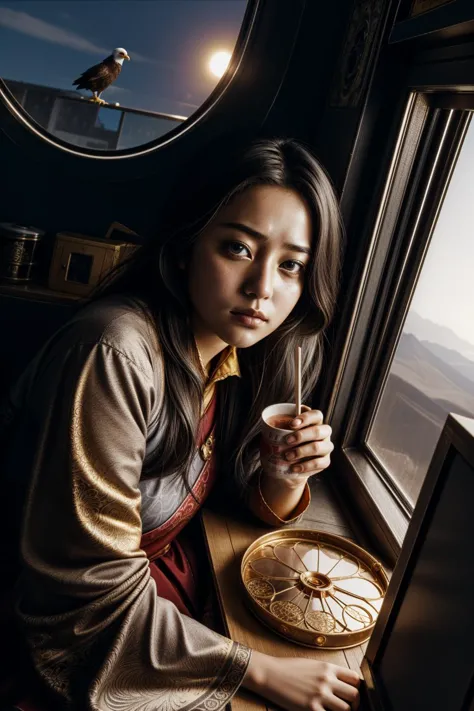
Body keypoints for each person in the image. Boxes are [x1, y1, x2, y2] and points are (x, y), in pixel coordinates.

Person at [1, 135, 360, 711]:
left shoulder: (225, 358)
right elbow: (83, 591)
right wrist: (257, 670)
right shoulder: (113, 351)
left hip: (154, 592)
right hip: (54, 633)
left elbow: (214, 491)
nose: (262, 288)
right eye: (239, 249)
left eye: (291, 265)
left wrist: (284, 475)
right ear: (189, 242)